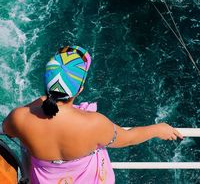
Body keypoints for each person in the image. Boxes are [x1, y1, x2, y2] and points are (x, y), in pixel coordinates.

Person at [2, 45, 184, 184]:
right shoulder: (94, 124)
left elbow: (7, 130)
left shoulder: (20, 117)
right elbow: (128, 138)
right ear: (79, 90)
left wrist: (40, 101)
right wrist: (158, 129)